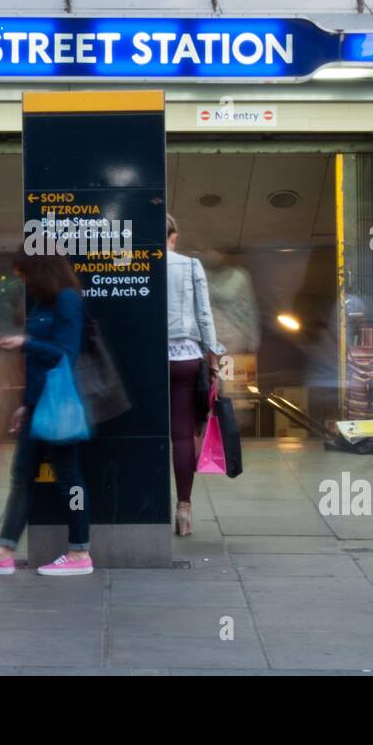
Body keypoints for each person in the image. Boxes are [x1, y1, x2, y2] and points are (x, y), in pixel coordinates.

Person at [0, 243, 93, 577]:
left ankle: (79, 553)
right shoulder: (43, 302)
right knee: (22, 477)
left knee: (70, 479)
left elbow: (66, 353)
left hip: (60, 405)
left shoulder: (67, 300)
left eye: (25, 273)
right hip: (38, 404)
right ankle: (3, 550)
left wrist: (25, 342)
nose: (22, 280)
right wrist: (25, 405)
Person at [165, 213, 225, 537]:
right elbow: (205, 316)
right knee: (182, 435)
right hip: (185, 358)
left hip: (148, 362)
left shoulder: (136, 264)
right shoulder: (190, 266)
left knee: (146, 435)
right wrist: (213, 359)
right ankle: (184, 508)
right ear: (173, 236)